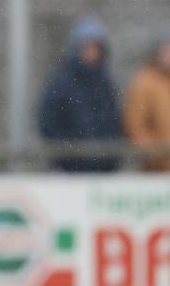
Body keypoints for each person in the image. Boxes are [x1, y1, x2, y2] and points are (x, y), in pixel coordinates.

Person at [37, 16, 122, 172]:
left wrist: (110, 157)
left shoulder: (105, 82)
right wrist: (68, 155)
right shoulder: (61, 81)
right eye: (87, 47)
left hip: (104, 169)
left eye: (95, 48)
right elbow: (48, 122)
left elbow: (114, 121)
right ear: (77, 49)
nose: (92, 52)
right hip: (69, 170)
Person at [123, 32, 170, 171]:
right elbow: (135, 125)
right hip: (155, 169)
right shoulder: (144, 83)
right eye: (166, 51)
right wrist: (156, 153)